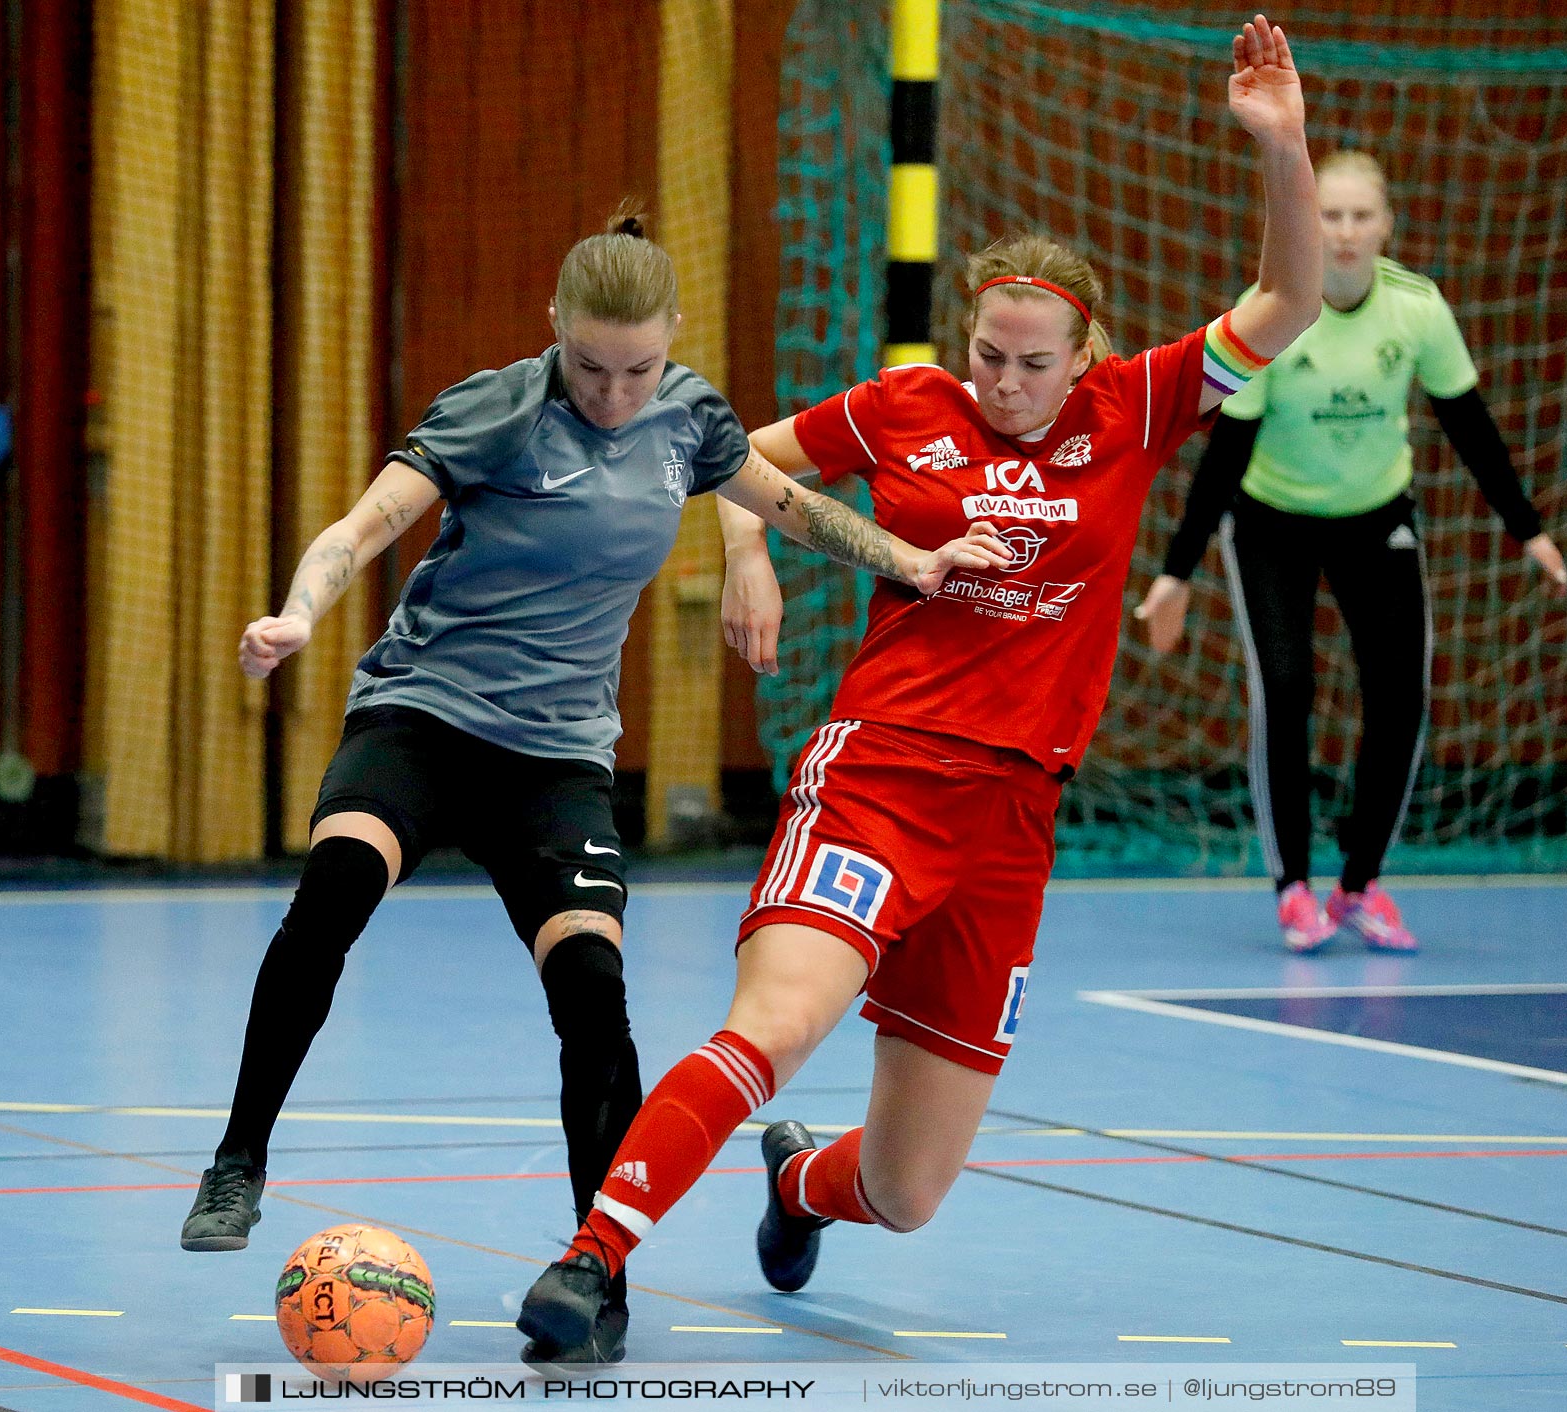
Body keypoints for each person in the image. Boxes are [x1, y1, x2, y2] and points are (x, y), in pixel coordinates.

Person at [513, 15, 1323, 1355]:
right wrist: (750, 552)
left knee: (905, 1189)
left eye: (1033, 363)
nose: (1006, 384)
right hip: (883, 770)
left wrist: (1283, 145)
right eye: (988, 355)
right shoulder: (906, 411)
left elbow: (1287, 304)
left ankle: (798, 1181)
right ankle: (592, 1264)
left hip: (1012, 822)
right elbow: (733, 451)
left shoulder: (1133, 410)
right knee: (773, 1026)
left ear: (1084, 353)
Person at [175, 206, 1010, 1370]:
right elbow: (363, 528)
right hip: (425, 713)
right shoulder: (498, 409)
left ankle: (598, 1263)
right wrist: (297, 614)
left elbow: (795, 505)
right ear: (555, 330)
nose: (615, 393)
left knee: (592, 989)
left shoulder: (690, 419)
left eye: (639, 368)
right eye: (591, 367)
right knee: (333, 890)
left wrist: (913, 563)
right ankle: (238, 1160)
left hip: (560, 751)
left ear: (670, 342)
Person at [1134, 150, 1567, 955]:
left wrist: (1527, 528)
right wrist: (1175, 574)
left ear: (1386, 225)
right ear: (1305, 223)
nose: (1342, 232)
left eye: (1358, 216)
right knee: (1288, 686)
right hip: (1271, 523)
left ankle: (1361, 885)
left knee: (1401, 697)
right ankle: (1292, 886)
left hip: (1377, 519)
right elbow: (1224, 452)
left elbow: (1468, 424)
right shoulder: (1272, 311)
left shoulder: (1416, 308)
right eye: (1327, 215)